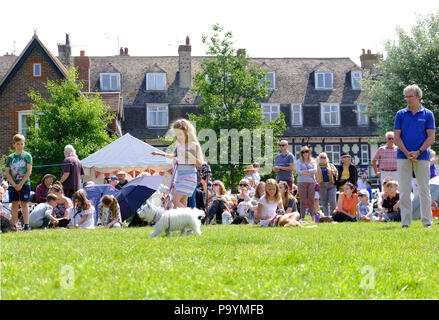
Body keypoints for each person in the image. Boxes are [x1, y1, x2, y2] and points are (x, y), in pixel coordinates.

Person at [394, 84, 435, 228]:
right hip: (403, 156)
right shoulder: (400, 114)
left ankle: (427, 222)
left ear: (418, 97)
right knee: (404, 190)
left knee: (424, 189)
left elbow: (431, 137)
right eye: (406, 96)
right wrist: (407, 153)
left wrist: (418, 152)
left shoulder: (428, 114)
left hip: (422, 156)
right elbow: (396, 137)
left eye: (410, 96)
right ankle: (405, 223)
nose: (407, 99)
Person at [152, 119, 204, 208]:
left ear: (186, 132)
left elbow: (200, 164)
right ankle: (184, 221)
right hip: (179, 176)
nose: (178, 137)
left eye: (180, 134)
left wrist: (188, 155)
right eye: (177, 134)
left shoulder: (194, 145)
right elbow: (172, 156)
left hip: (189, 176)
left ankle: (189, 217)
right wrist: (159, 153)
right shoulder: (179, 146)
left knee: (175, 200)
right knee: (183, 201)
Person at [4, 134, 33, 231]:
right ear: (14, 145)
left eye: (22, 144)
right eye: (18, 144)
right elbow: (7, 172)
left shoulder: (27, 156)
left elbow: (29, 171)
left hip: (25, 184)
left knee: (24, 204)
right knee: (14, 204)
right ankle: (13, 225)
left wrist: (20, 184)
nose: (20, 146)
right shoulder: (10, 157)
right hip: (13, 184)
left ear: (24, 144)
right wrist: (14, 184)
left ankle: (26, 225)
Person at [295, 146, 317, 220]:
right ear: (301, 153)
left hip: (311, 182)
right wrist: (309, 173)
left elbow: (315, 170)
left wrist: (305, 172)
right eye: (303, 152)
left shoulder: (313, 161)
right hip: (301, 182)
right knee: (303, 200)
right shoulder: (299, 161)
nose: (305, 153)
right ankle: (302, 217)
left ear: (309, 152)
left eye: (306, 151)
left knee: (311, 200)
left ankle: (313, 216)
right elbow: (297, 171)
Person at [315, 152, 338, 217]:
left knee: (333, 201)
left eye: (324, 157)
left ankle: (333, 215)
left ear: (326, 158)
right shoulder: (316, 166)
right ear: (319, 158)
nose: (322, 159)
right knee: (324, 202)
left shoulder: (331, 165)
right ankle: (326, 216)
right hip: (321, 185)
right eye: (321, 157)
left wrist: (335, 173)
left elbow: (336, 174)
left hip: (331, 184)